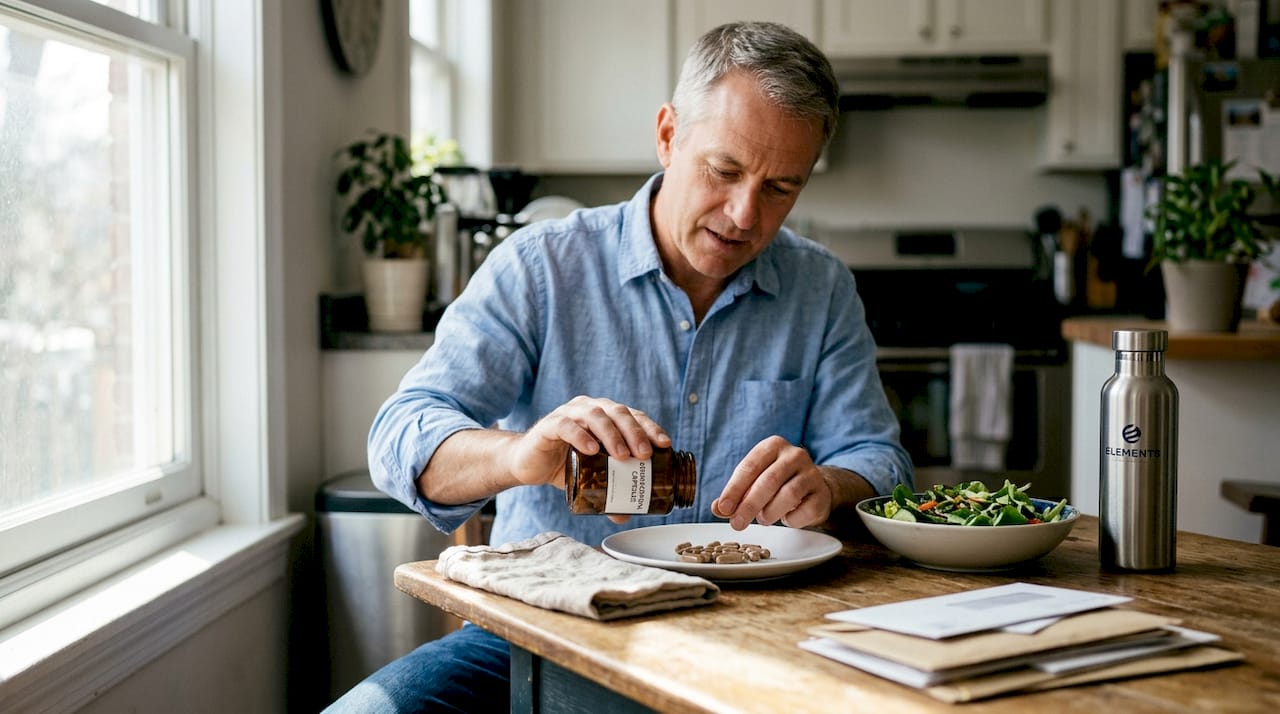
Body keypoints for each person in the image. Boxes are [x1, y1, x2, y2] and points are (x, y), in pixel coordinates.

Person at [327, 20, 913, 713]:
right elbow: (399, 436)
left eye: (781, 188)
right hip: (543, 632)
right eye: (724, 171)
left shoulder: (821, 288)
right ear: (668, 135)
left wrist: (830, 483)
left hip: (759, 631)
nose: (744, 214)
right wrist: (522, 457)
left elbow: (881, 458)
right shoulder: (541, 266)